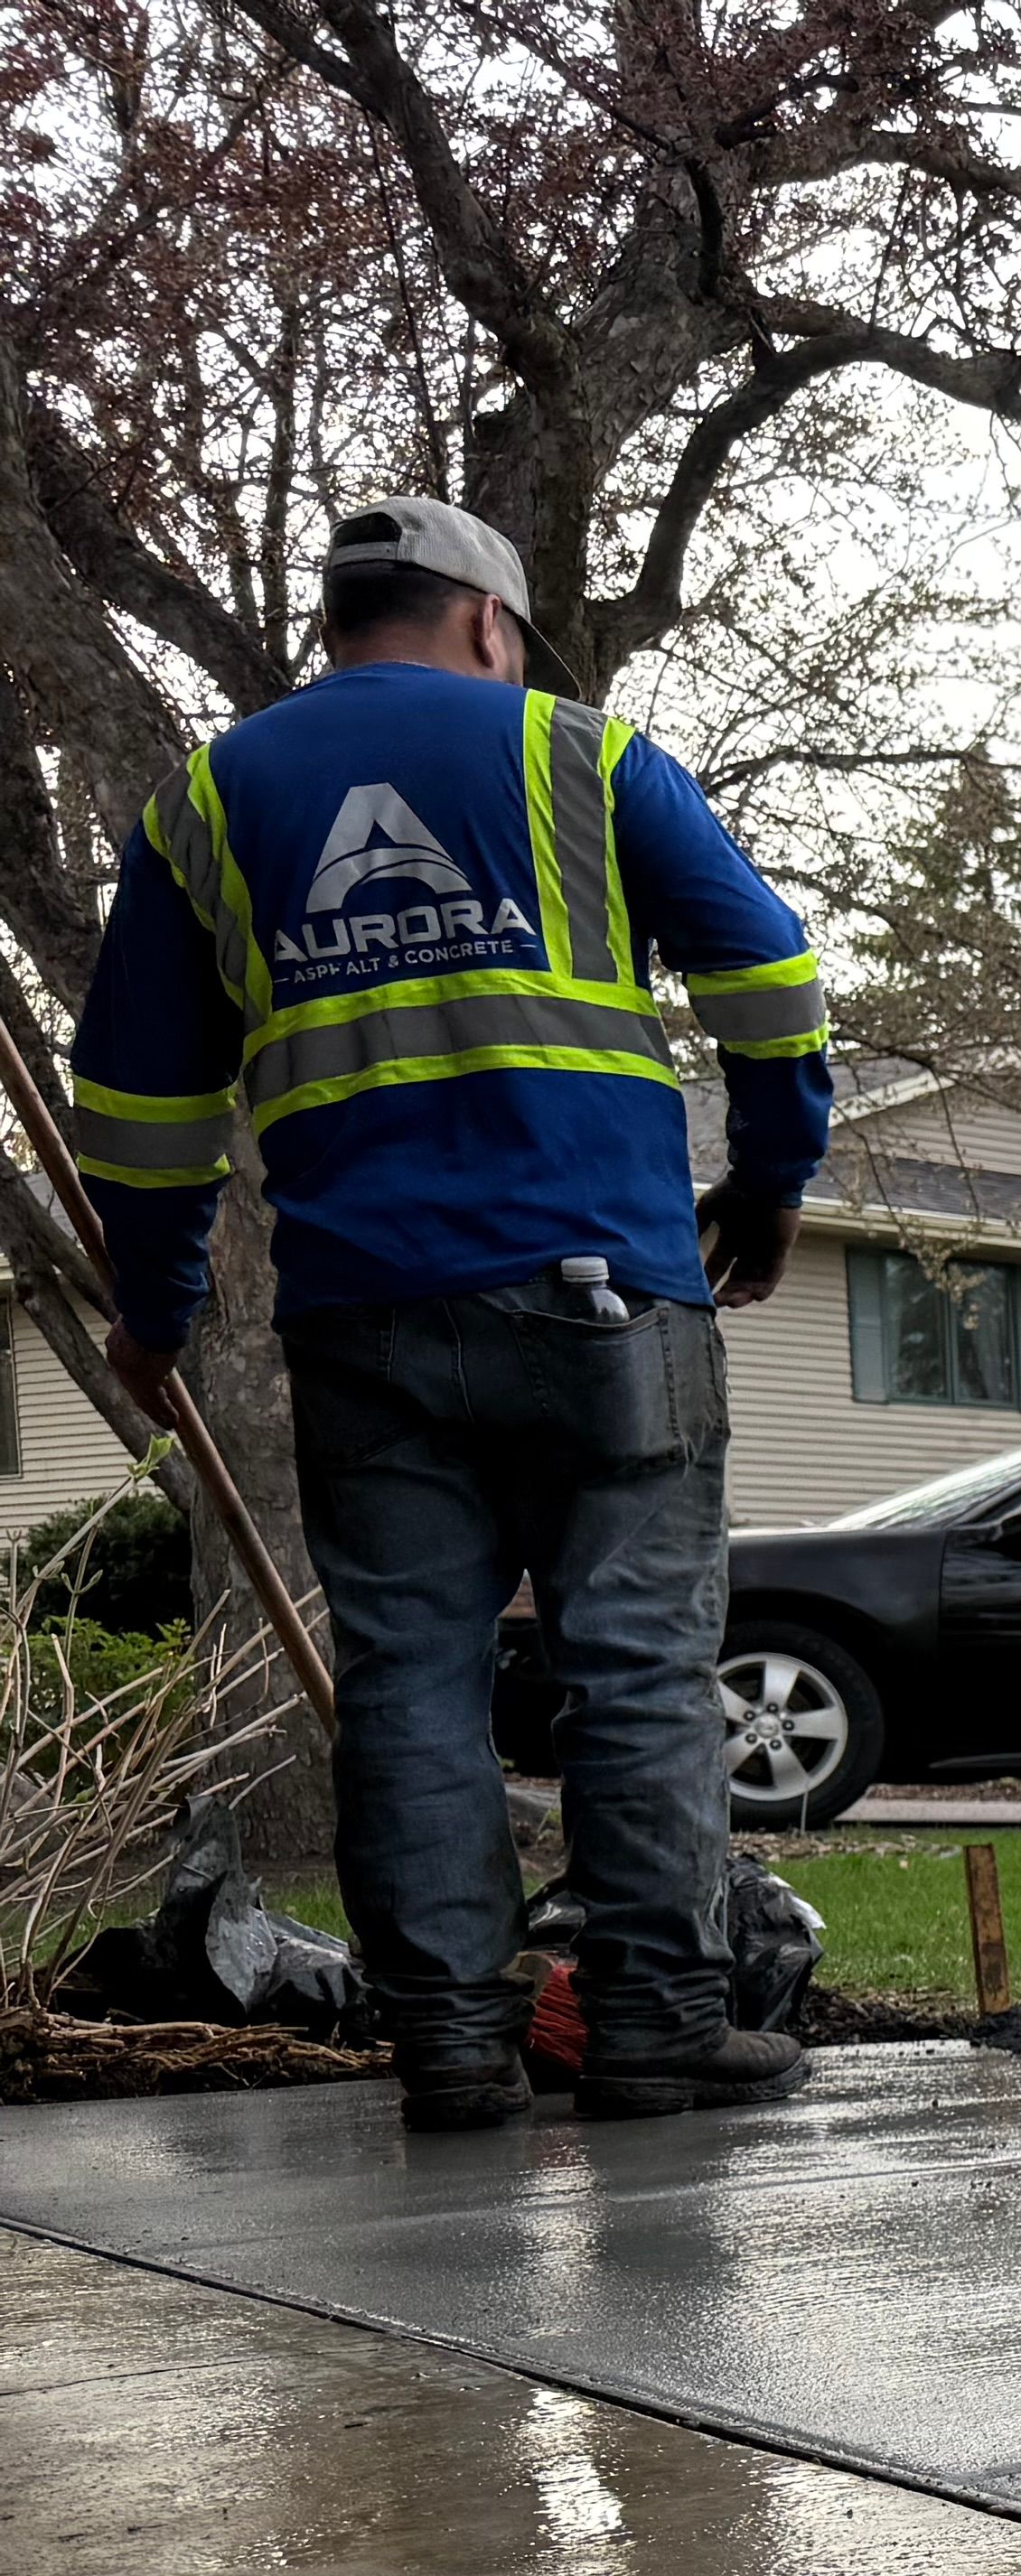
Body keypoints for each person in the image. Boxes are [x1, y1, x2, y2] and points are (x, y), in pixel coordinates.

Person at [71, 496, 834, 2129]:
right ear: (487, 621)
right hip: (607, 1299)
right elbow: (768, 981)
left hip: (367, 1320)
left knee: (410, 1675)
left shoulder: (208, 800)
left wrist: (155, 1310)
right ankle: (650, 2032)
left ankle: (454, 2048)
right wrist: (766, 1187)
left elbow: (138, 1105)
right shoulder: (585, 755)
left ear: (339, 623)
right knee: (631, 1670)